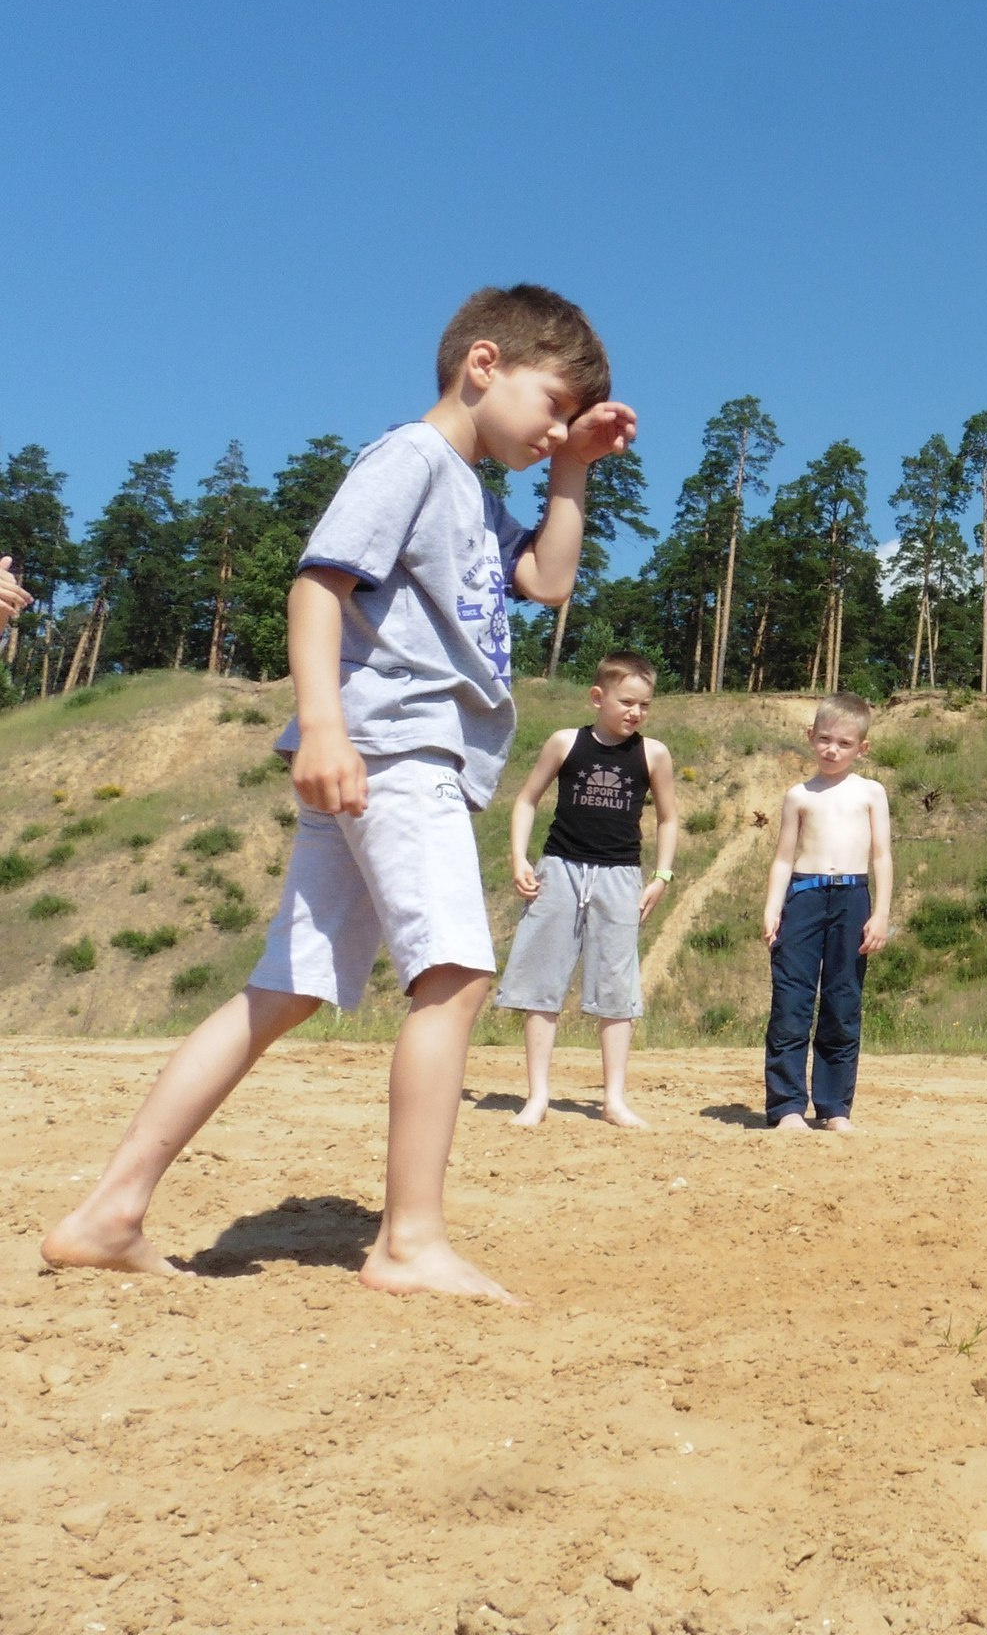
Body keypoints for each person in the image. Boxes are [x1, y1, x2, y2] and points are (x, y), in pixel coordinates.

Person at [42, 285, 633, 1301]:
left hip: (382, 761)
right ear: (483, 364)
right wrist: (321, 724)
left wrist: (572, 469)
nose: (553, 427)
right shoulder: (409, 459)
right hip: (394, 753)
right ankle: (409, 1242)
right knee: (453, 974)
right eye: (551, 403)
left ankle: (112, 1211)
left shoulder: (476, 495)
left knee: (285, 989)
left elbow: (544, 582)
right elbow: (317, 585)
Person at [493, 649, 680, 1130]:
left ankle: (613, 1100)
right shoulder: (565, 743)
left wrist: (662, 875)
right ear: (598, 697)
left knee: (618, 989)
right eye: (626, 702)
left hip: (621, 878)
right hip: (559, 871)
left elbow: (668, 817)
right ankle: (537, 1098)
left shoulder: (652, 753)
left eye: (644, 705)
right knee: (541, 986)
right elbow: (526, 799)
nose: (635, 712)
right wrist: (519, 858)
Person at [761, 693, 894, 1131]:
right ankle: (787, 1107)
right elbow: (783, 857)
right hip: (804, 897)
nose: (832, 750)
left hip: (853, 898)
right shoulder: (798, 795)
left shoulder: (871, 792)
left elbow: (881, 856)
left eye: (843, 743)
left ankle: (835, 1107)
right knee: (791, 1002)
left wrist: (881, 914)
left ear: (862, 748)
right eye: (824, 739)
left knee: (842, 1002)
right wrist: (772, 908)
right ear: (810, 737)